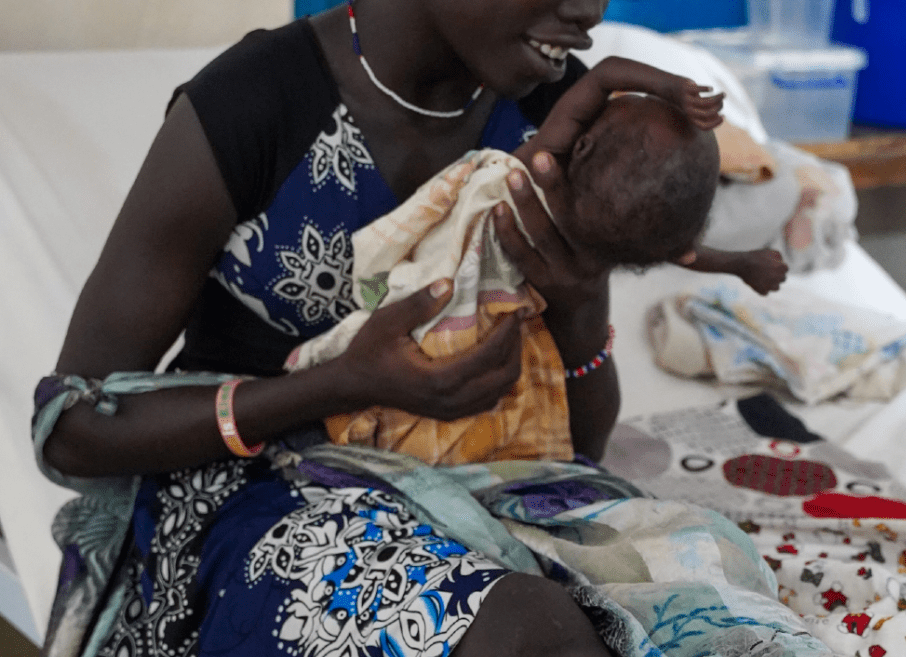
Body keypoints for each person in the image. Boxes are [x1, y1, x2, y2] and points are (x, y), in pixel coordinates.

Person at [33, 0, 826, 655]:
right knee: (525, 633)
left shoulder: (554, 122)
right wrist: (340, 381)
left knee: (733, 624)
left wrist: (581, 303)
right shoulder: (255, 105)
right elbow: (71, 426)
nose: (590, 11)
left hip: (490, 489)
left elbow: (579, 440)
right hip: (254, 504)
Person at [289, 93, 787, 466]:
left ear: (584, 142)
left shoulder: (534, 171)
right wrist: (744, 264)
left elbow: (602, 72)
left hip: (440, 327)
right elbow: (685, 253)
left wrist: (656, 79)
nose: (589, 7)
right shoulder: (606, 226)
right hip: (488, 376)